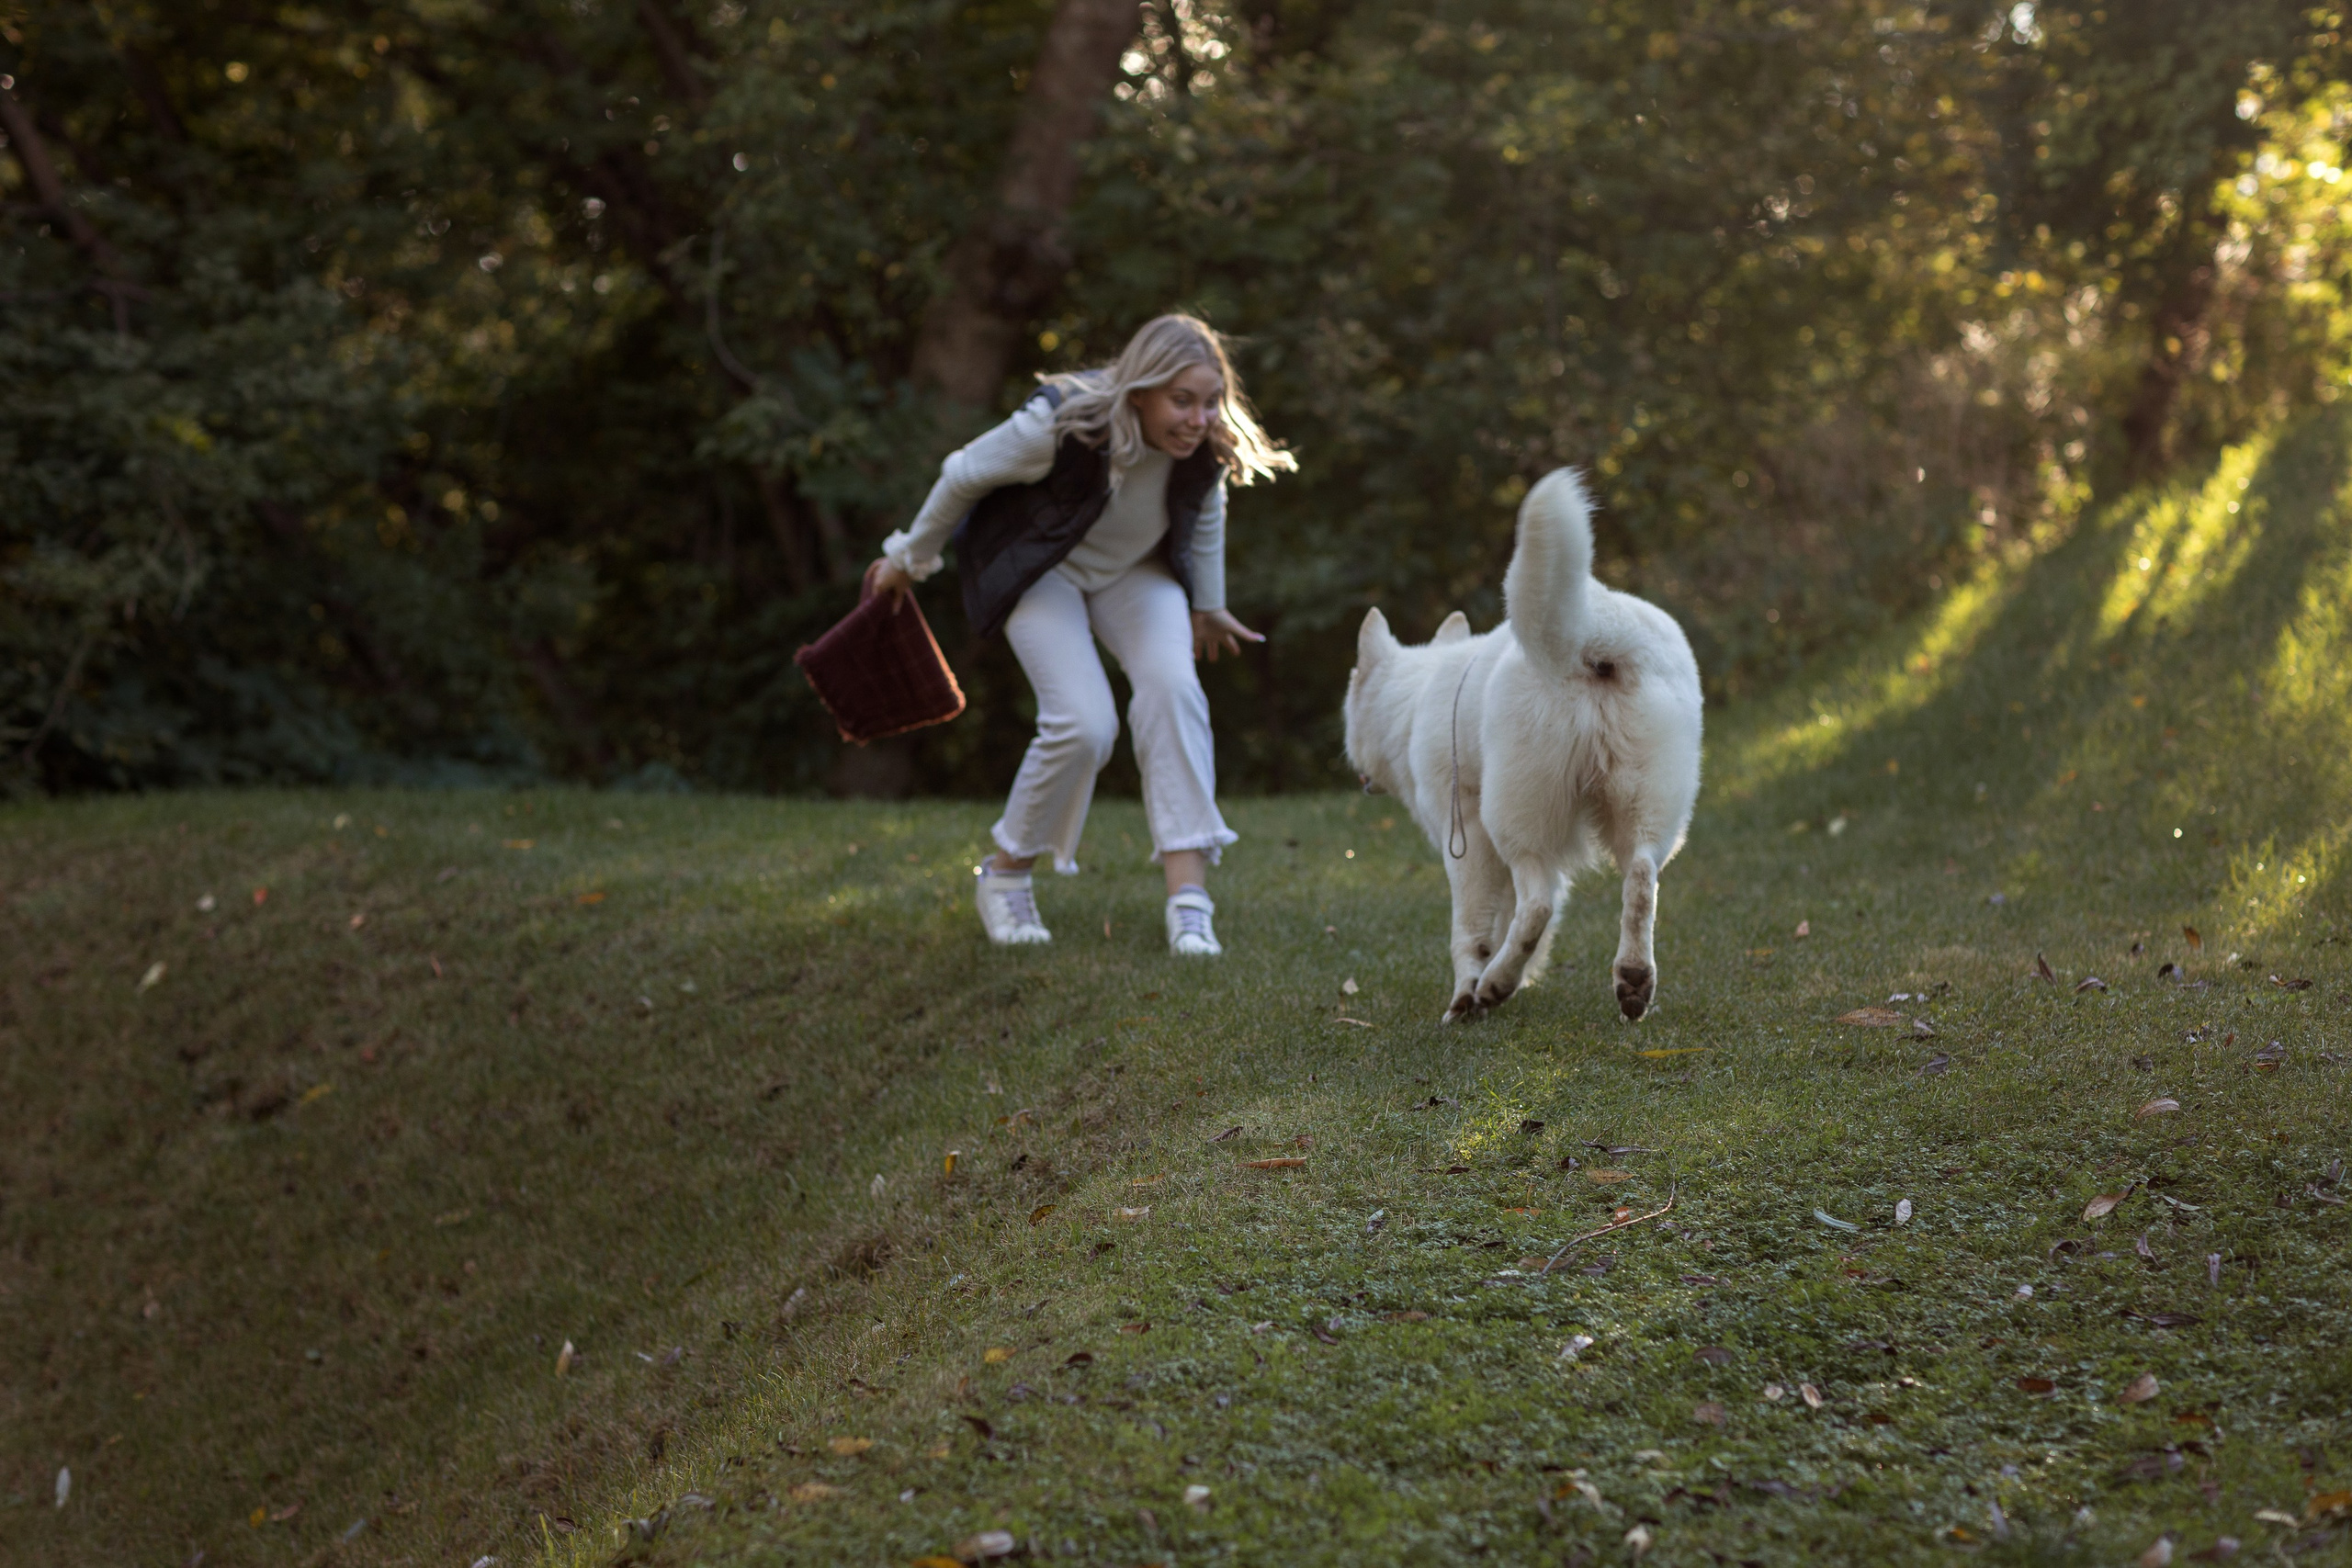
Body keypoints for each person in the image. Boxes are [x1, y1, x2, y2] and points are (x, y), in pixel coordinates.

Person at [869, 314, 1294, 956]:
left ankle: (1190, 904)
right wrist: (907, 559)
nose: (1199, 418)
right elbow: (961, 474)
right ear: (1140, 391)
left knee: (1173, 690)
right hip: (1043, 571)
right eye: (1182, 401)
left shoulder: (1205, 442)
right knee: (1084, 722)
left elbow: (1206, 512)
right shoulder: (1062, 423)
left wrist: (1207, 605)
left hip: (1133, 573)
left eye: (1210, 402)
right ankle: (1005, 873)